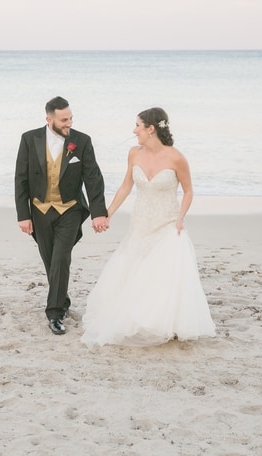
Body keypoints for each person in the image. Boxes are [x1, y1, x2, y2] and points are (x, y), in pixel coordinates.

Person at [81, 107, 216, 347]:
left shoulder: (176, 157)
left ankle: (167, 323)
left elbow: (188, 190)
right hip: (141, 223)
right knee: (135, 270)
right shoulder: (134, 153)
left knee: (164, 274)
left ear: (151, 129)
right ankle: (135, 318)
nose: (134, 131)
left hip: (167, 223)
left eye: (138, 126)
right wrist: (106, 215)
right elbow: (125, 186)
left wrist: (181, 218)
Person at [15, 96, 109, 335]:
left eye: (70, 118)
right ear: (49, 119)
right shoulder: (29, 139)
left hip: (70, 210)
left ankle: (55, 313)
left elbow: (93, 178)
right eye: (64, 119)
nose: (69, 123)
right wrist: (23, 215)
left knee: (60, 259)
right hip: (39, 211)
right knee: (50, 262)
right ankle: (63, 300)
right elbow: (21, 179)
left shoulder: (82, 141)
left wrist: (99, 213)